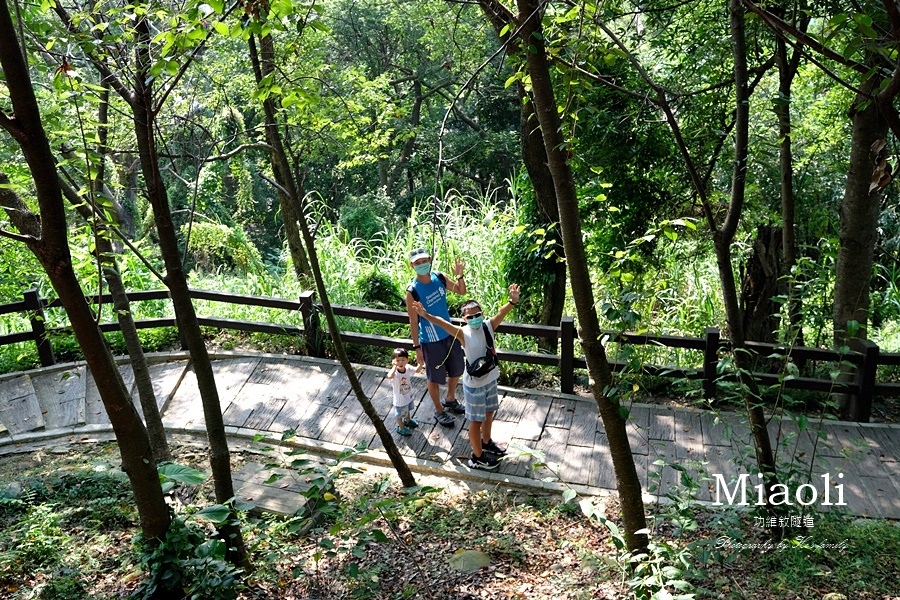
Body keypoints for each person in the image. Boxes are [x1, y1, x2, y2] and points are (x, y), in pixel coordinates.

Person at [412, 283, 521, 470]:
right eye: (470, 317)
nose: (475, 319)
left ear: (482, 314)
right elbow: (442, 323)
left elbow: (501, 313)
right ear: (464, 319)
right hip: (475, 385)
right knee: (475, 421)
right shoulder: (463, 333)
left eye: (477, 315)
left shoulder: (488, 327)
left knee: (489, 414)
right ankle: (477, 457)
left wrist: (512, 301)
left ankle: (486, 442)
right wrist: (425, 315)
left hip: (490, 378)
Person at [406, 247, 467, 427]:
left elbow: (461, 291)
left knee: (457, 369)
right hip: (430, 341)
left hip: (449, 332)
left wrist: (460, 275)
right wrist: (417, 348)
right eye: (418, 263)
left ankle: (450, 398)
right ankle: (439, 410)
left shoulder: (439, 277)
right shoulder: (413, 291)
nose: (422, 265)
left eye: (424, 261)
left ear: (430, 260)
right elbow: (413, 321)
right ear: (412, 266)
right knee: (434, 377)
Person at [387, 348, 421, 436]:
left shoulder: (408, 368)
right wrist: (394, 367)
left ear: (407, 360)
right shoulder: (395, 373)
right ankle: (401, 427)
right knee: (399, 415)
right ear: (393, 362)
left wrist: (421, 364)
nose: (400, 362)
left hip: (408, 396)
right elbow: (389, 376)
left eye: (403, 360)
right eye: (397, 360)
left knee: (407, 410)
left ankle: (408, 421)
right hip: (400, 400)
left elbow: (417, 370)